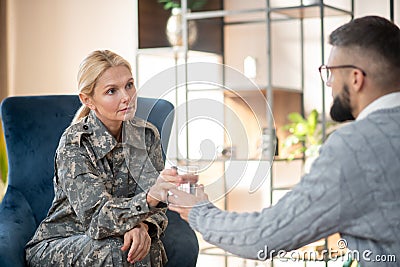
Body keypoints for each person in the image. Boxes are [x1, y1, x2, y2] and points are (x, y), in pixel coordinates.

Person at [167, 15, 400, 267]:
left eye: (330, 73)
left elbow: (263, 237)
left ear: (356, 78)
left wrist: (199, 211)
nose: (329, 85)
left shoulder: (354, 146)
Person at [25, 50, 186, 267]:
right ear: (88, 100)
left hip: (115, 235)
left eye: (129, 85)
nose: (126, 97)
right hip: (61, 242)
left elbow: (158, 210)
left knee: (145, 245)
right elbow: (98, 219)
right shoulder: (75, 144)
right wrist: (148, 199)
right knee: (114, 249)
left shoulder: (147, 135)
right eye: (112, 91)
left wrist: (142, 227)